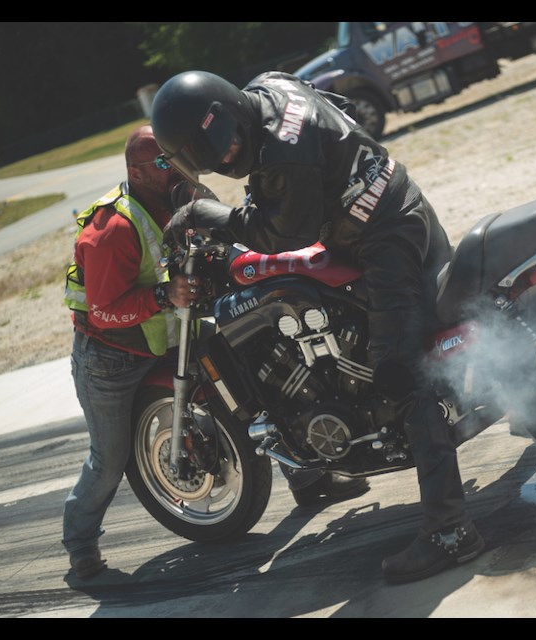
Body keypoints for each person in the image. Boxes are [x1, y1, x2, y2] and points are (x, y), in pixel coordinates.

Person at [150, 70, 484, 584]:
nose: (230, 153)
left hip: (383, 238)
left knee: (397, 371)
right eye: (215, 153)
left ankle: (451, 531)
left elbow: (285, 232)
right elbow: (334, 101)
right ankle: (316, 471)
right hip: (397, 201)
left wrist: (216, 216)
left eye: (230, 141)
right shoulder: (271, 84)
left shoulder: (282, 153)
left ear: (233, 110)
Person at [60, 125, 366, 581]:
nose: (176, 171)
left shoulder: (183, 200)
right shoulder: (113, 230)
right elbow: (104, 313)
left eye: (178, 159)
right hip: (112, 355)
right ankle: (80, 543)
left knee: (252, 376)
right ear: (136, 173)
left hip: (174, 332)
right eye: (164, 164)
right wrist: (166, 296)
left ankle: (309, 478)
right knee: (110, 456)